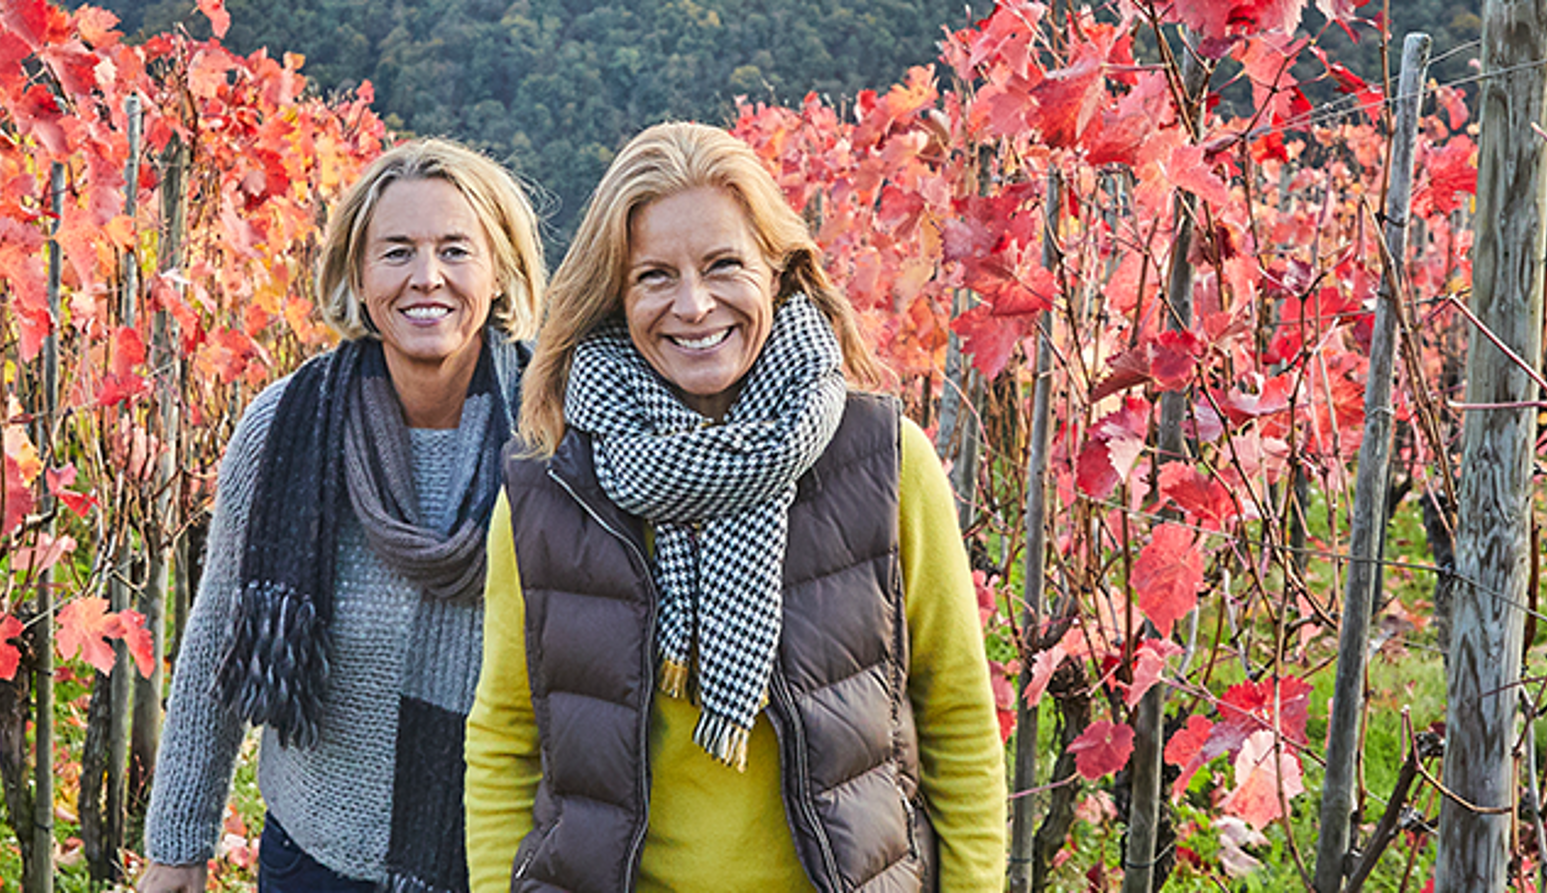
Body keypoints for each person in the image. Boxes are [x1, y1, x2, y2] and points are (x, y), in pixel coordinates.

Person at [462, 122, 1009, 893]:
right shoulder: (551, 490)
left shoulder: (886, 460)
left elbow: (955, 717)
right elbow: (507, 738)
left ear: (779, 272)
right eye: (654, 275)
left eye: (724, 265)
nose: (693, 305)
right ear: (614, 295)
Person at [147, 139, 554, 893]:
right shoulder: (288, 427)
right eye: (396, 251)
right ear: (359, 277)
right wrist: (177, 846)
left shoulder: (553, 436)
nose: (425, 277)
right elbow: (213, 642)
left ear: (497, 271)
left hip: (504, 863)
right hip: (314, 859)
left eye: (455, 250)